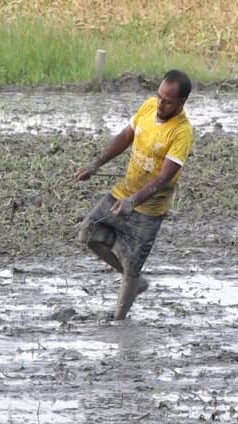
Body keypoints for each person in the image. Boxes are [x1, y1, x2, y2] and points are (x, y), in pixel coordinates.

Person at [74, 69, 194, 320]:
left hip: (149, 209)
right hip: (123, 191)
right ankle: (135, 282)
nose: (161, 103)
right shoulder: (149, 107)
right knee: (88, 233)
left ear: (181, 102)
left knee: (132, 266)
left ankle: (119, 321)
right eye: (159, 96)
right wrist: (96, 164)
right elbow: (125, 136)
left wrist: (133, 202)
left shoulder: (182, 132)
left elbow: (163, 179)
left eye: (168, 101)